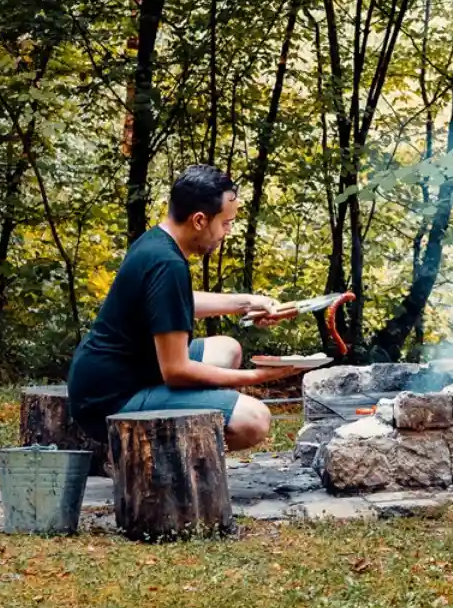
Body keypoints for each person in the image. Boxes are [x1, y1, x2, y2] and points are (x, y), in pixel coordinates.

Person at [67, 164, 298, 452]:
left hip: (120, 374)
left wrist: (249, 302)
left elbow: (173, 300)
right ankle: (169, 468)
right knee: (255, 419)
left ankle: (182, 423)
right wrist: (258, 376)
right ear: (200, 220)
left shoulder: (157, 242)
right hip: (111, 398)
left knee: (228, 349)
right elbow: (176, 370)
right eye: (225, 223)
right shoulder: (167, 263)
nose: (227, 232)